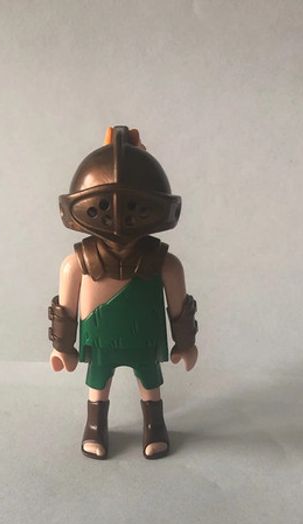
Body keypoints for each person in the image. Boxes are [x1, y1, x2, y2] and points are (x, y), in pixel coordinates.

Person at [48, 125, 198, 460]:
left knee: (149, 381)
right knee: (98, 383)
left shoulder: (163, 263)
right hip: (101, 337)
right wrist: (62, 347)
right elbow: (65, 310)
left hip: (143, 336)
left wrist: (185, 342)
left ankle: (154, 425)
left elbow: (179, 307)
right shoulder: (78, 263)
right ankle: (95, 426)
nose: (118, 218)